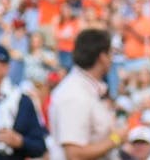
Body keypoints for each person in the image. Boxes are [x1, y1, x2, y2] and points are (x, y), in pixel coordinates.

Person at [50, 29, 122, 160]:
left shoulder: (88, 88)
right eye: (111, 53)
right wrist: (117, 138)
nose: (112, 59)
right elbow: (74, 154)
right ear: (102, 57)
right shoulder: (74, 93)